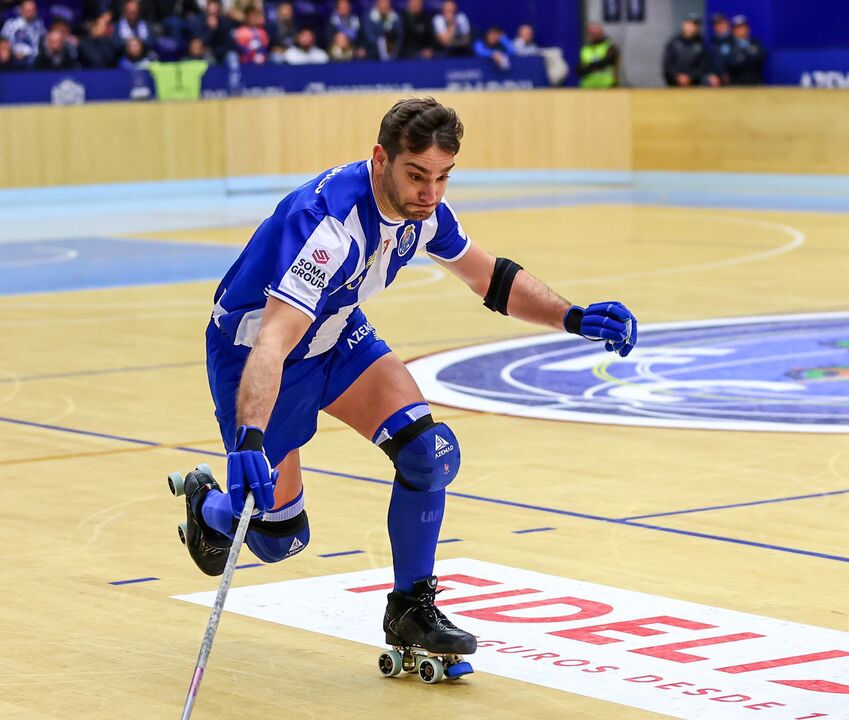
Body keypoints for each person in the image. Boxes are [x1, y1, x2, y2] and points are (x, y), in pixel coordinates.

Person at [174, 97, 637, 667]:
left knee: (428, 453)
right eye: (417, 175)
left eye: (443, 177)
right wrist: (247, 440)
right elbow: (274, 339)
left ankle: (411, 608)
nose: (430, 193)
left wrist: (573, 317)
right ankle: (210, 509)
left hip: (337, 333)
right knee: (280, 538)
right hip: (259, 353)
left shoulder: (424, 215)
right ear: (380, 159)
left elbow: (488, 277)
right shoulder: (329, 229)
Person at [662, 13, 711, 87]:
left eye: (694, 25)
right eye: (689, 23)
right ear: (683, 24)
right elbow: (668, 64)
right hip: (674, 83)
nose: (691, 27)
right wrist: (677, 76)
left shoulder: (702, 43)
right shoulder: (674, 42)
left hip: (695, 83)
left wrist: (690, 77)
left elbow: (704, 65)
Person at [579, 21, 618, 88]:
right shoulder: (585, 49)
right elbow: (579, 69)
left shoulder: (609, 46)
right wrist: (594, 66)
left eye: (596, 32)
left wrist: (589, 66)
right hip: (587, 87)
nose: (594, 34)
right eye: (591, 32)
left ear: (601, 32)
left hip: (606, 86)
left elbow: (607, 61)